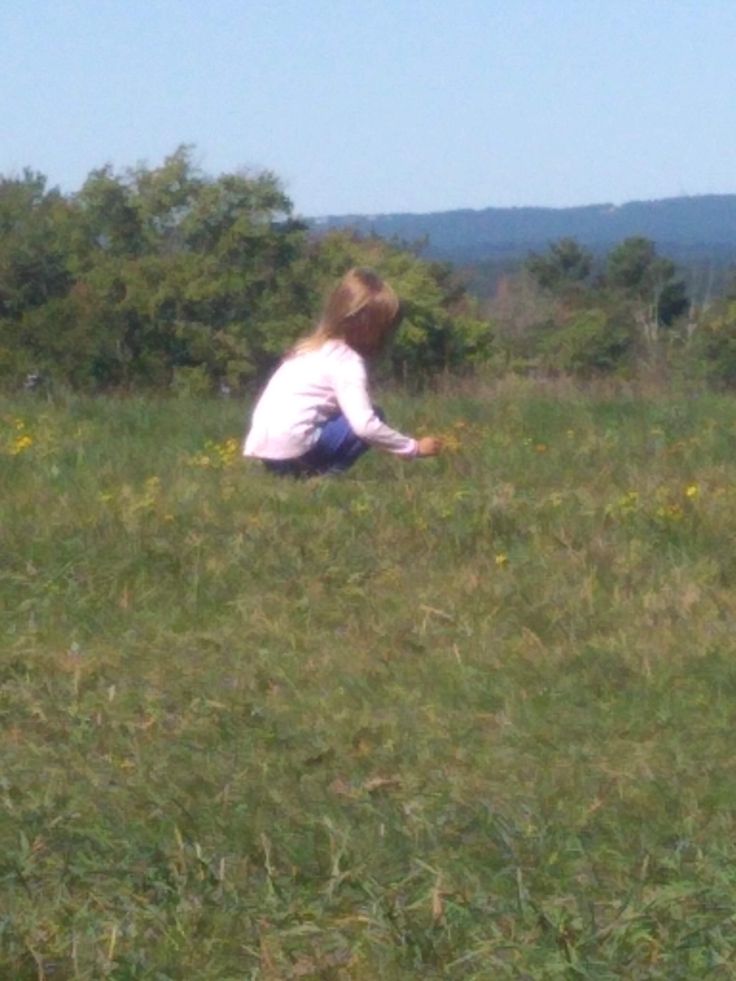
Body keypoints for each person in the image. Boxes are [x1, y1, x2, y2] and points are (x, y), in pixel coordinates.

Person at [243, 267, 442, 476]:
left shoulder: (306, 350)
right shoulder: (346, 361)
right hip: (296, 449)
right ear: (372, 329)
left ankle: (295, 476)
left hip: (267, 453)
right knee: (374, 415)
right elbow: (364, 426)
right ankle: (325, 478)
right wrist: (413, 447)